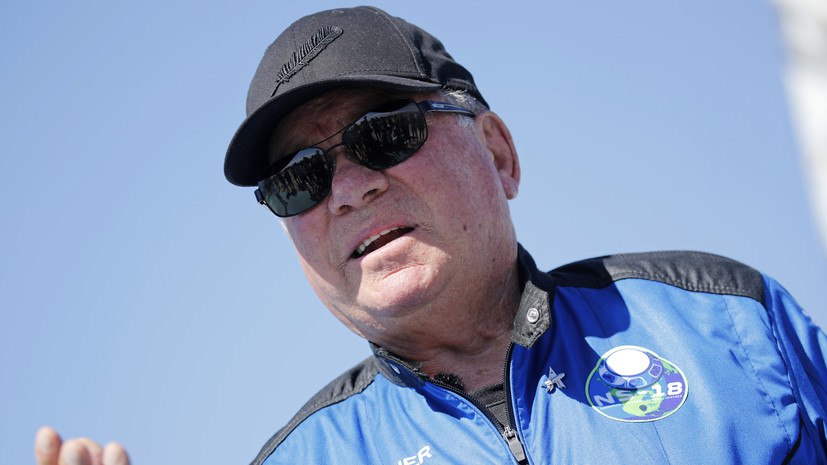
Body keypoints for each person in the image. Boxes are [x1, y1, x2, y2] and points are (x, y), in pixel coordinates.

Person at [36, 6, 827, 465]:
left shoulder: (725, 322)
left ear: (498, 152)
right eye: (299, 179)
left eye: (382, 134)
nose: (350, 189)